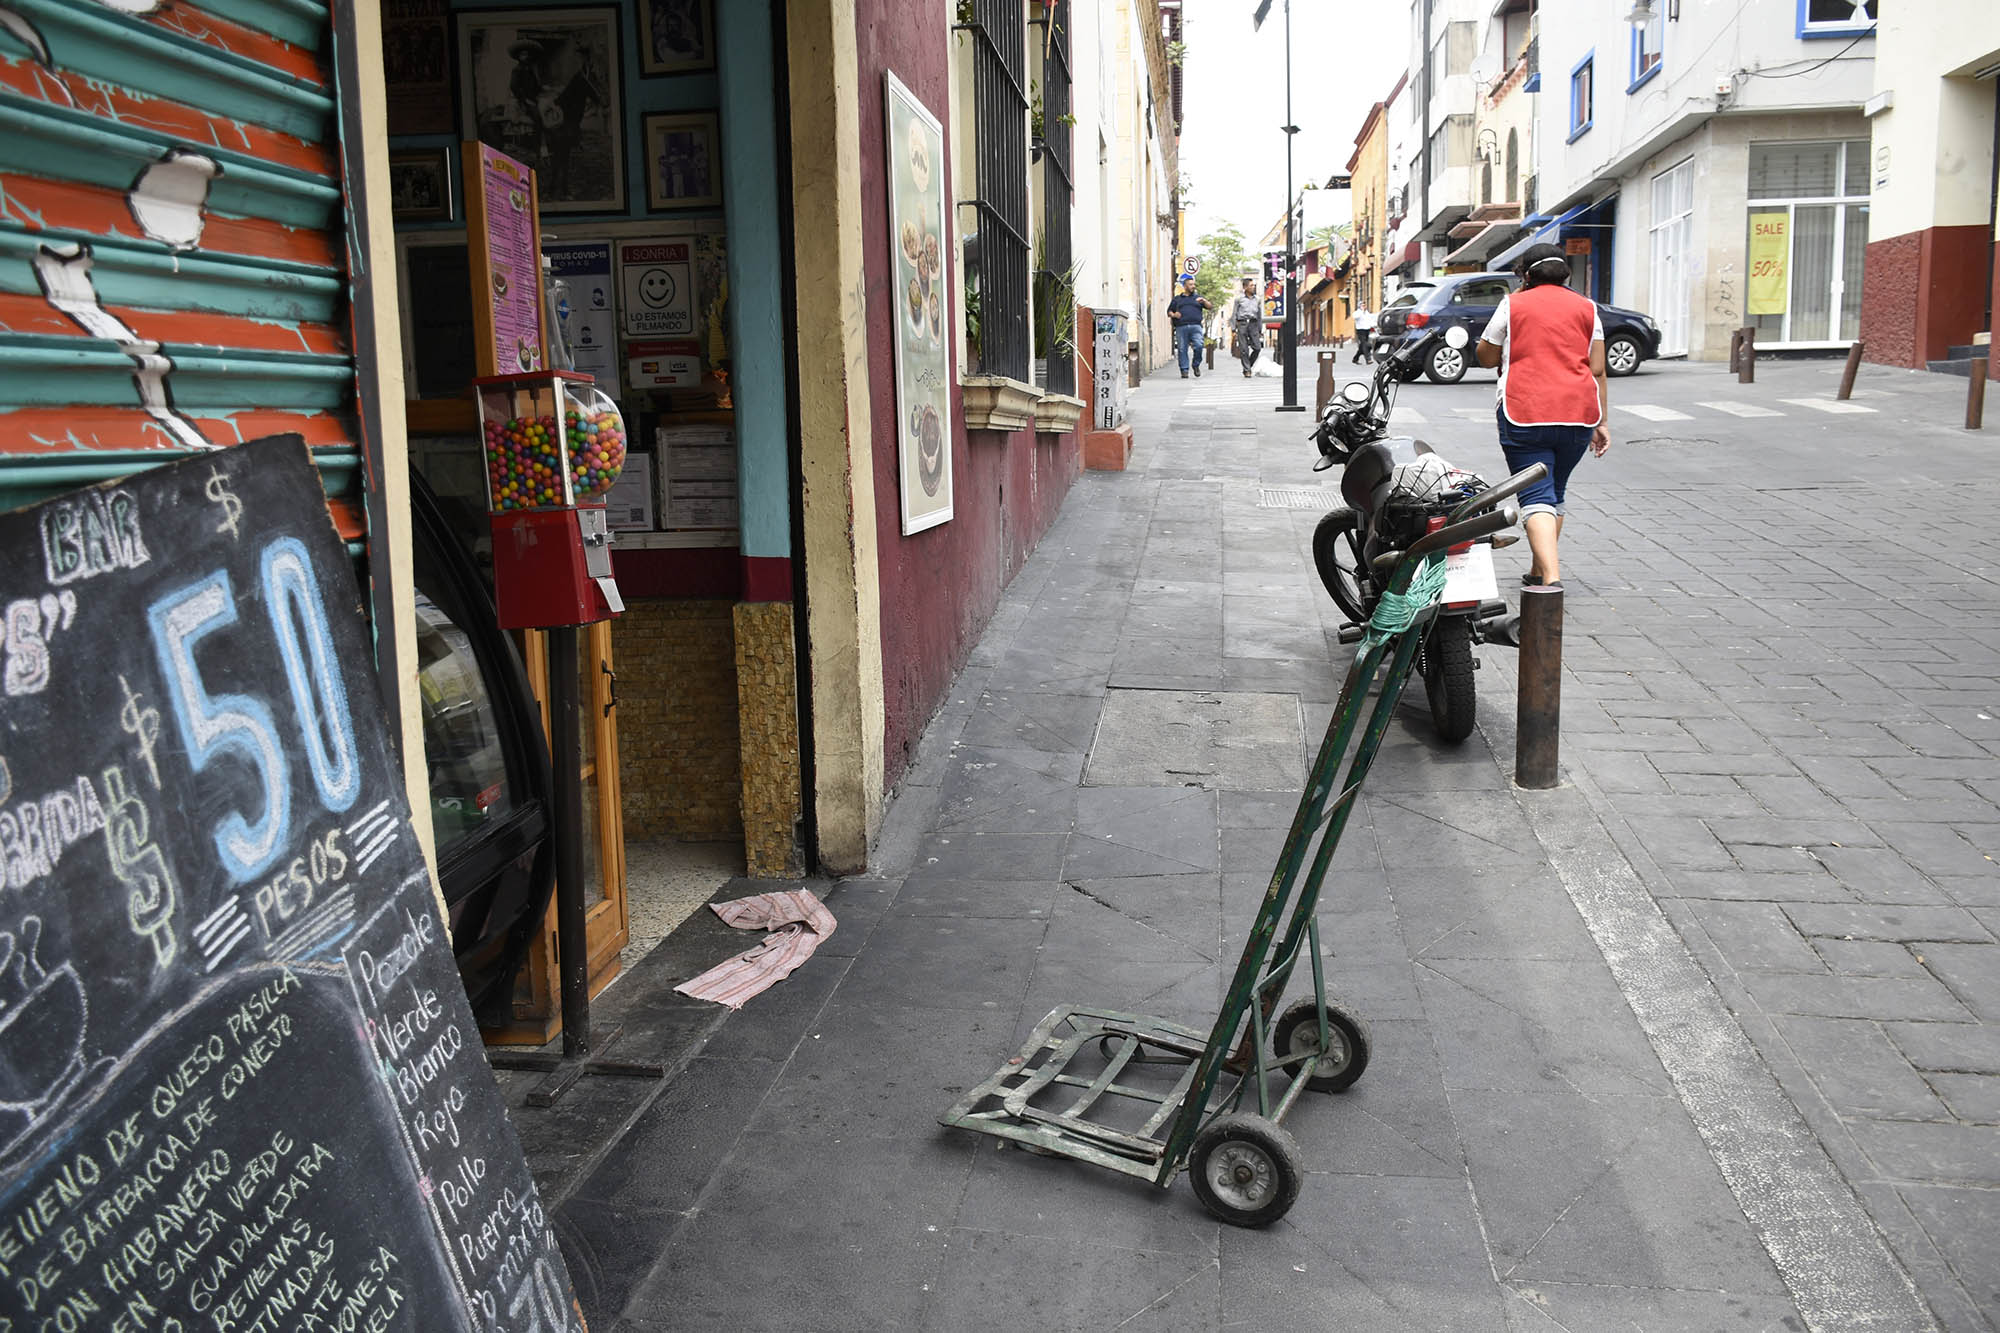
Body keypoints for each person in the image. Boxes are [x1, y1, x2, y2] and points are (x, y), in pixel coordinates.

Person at [1474, 241, 1609, 605]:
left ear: (1526, 275)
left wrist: (1515, 305)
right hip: (1579, 414)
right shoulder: (1587, 308)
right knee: (1556, 491)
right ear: (1565, 273)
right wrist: (1603, 421)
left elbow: (1485, 357)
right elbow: (1597, 368)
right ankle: (1537, 569)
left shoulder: (1513, 304)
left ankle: (1550, 580)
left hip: (1525, 412)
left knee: (1535, 495)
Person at [1168, 275, 1210, 378]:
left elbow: (1210, 307)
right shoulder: (1177, 299)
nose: (1193, 286)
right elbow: (1169, 311)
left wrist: (1204, 301)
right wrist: (1174, 315)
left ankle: (1195, 364)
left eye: (1193, 284)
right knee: (1182, 349)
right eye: (1190, 284)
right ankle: (1184, 370)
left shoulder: (1198, 298)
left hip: (1196, 326)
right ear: (1185, 286)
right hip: (1181, 327)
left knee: (1199, 345)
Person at [1229, 278, 1263, 377]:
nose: (1253, 287)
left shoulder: (1257, 299)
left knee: (1257, 347)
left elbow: (1259, 315)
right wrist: (1233, 328)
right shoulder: (1239, 299)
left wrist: (1260, 329)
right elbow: (1234, 314)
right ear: (1245, 287)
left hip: (1254, 324)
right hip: (1242, 323)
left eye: (1254, 285)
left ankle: (1248, 366)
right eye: (1251, 285)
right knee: (1244, 349)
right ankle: (1247, 370)